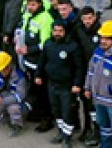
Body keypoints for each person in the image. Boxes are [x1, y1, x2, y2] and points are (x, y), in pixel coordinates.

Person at [37, 20, 86, 148]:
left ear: (65, 32)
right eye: (55, 30)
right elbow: (42, 61)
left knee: (67, 112)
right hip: (51, 84)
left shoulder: (73, 47)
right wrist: (38, 75)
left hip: (67, 87)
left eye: (60, 31)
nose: (57, 33)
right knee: (56, 111)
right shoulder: (48, 44)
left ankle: (67, 138)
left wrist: (77, 84)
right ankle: (61, 132)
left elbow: (80, 67)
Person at [16, 0, 55, 133]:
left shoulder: (45, 19)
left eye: (33, 4)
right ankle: (37, 113)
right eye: (28, 4)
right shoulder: (28, 16)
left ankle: (47, 119)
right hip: (29, 62)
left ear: (39, 4)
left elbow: (45, 44)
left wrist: (29, 50)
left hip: (40, 64)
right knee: (35, 91)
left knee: (43, 93)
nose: (30, 7)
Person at [72, 7, 102, 142]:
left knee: (95, 105)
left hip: (98, 75)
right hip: (84, 72)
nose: (87, 21)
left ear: (95, 17)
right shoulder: (78, 29)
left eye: (90, 18)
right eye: (84, 19)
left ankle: (98, 132)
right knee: (85, 102)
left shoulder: (101, 31)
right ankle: (87, 128)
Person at [0, 52, 28, 137]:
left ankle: (18, 126)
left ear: (9, 65)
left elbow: (20, 96)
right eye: (0, 70)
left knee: (12, 108)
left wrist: (3, 101)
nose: (2, 72)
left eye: (3, 69)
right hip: (3, 97)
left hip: (19, 102)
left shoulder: (20, 77)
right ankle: (8, 121)